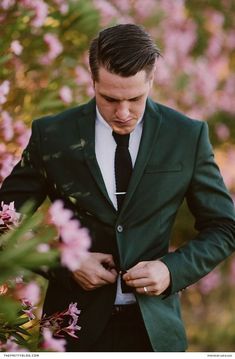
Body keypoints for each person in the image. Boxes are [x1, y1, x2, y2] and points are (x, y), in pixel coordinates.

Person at [0, 23, 235, 352]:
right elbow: (4, 218)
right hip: (71, 334)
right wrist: (65, 259)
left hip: (156, 337)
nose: (123, 113)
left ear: (151, 80)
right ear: (92, 79)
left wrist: (171, 270)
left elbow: (224, 227)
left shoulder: (187, 136)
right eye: (109, 98)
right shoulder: (51, 135)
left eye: (135, 99)